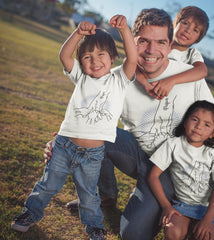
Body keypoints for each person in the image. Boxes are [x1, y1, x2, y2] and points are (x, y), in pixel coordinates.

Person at [44, 8, 214, 240]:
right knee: (100, 136)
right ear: (130, 41)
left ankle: (157, 208)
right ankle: (105, 194)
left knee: (133, 235)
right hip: (138, 156)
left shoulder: (191, 77)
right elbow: (87, 118)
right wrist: (61, 141)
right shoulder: (114, 79)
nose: (151, 50)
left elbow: (211, 134)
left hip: (169, 171)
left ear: (170, 45)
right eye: (143, 41)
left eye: (160, 42)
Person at [11, 14, 137, 240]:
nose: (94, 61)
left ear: (113, 58)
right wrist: (78, 33)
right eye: (87, 57)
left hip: (92, 154)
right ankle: (30, 213)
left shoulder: (119, 80)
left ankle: (94, 227)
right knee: (48, 184)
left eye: (101, 55)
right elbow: (64, 55)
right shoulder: (81, 77)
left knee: (89, 195)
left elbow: (133, 59)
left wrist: (125, 30)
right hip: (64, 145)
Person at [148, 100, 214, 240]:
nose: (198, 126)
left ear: (212, 133)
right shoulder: (173, 144)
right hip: (182, 205)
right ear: (185, 122)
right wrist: (166, 206)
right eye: (195, 119)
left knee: (204, 235)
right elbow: (153, 176)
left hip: (207, 209)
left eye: (207, 124)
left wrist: (207, 220)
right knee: (173, 231)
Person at [136, 6, 209, 100]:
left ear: (198, 39)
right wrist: (145, 84)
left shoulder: (191, 53)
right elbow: (134, 64)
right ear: (175, 23)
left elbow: (202, 71)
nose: (188, 31)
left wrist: (171, 81)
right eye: (185, 23)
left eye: (195, 30)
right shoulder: (158, 45)